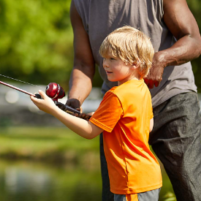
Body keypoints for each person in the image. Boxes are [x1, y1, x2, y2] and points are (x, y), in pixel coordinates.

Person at [67, 0, 201, 201]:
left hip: (170, 98)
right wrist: (74, 102)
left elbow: (193, 40)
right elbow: (83, 64)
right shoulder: (81, 0)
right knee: (116, 193)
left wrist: (161, 58)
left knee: (190, 186)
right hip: (117, 109)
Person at [32, 26, 162, 200]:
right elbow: (148, 124)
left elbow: (89, 131)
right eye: (104, 58)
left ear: (134, 63)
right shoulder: (141, 88)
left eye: (112, 58)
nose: (105, 64)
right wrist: (105, 119)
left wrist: (53, 110)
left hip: (132, 182)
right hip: (145, 177)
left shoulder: (117, 94)